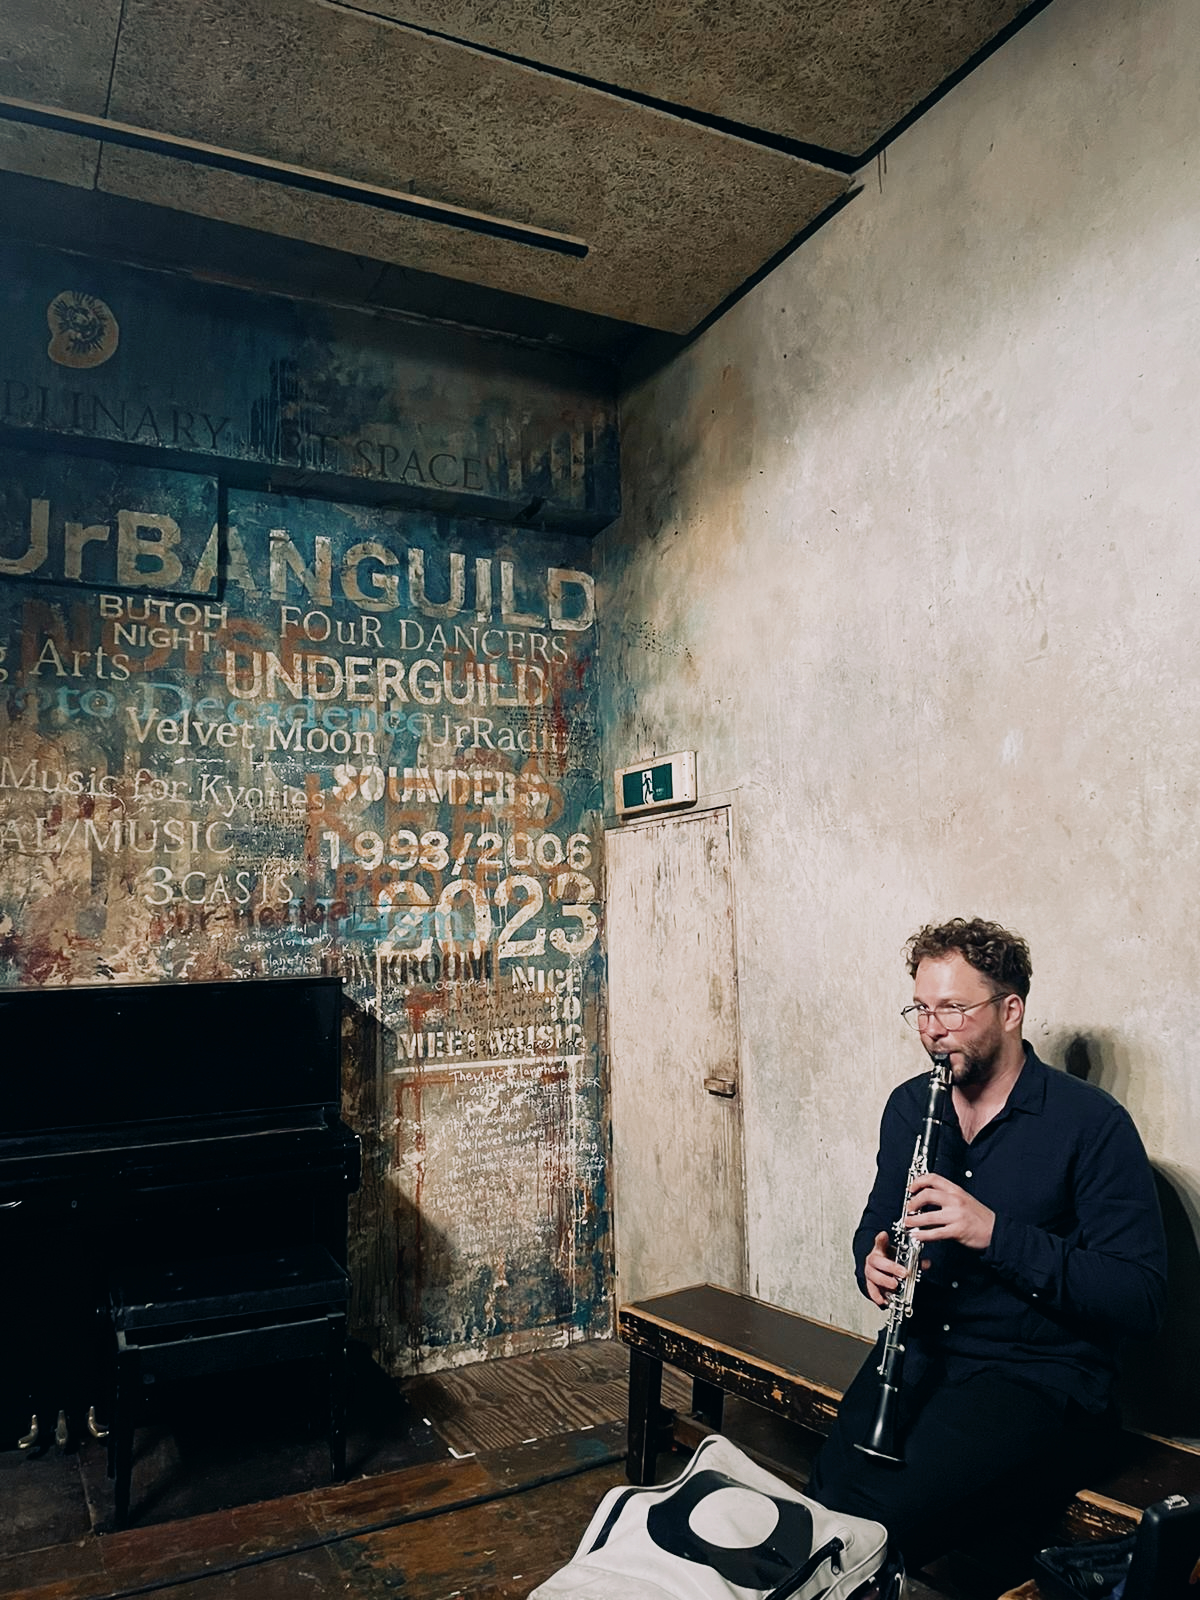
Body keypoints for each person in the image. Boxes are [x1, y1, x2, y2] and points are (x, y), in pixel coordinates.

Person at [807, 917, 1167, 1571]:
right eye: (921, 1009)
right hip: (920, 1352)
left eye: (952, 1008)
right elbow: (877, 1223)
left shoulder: (1091, 1125)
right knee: (821, 1505)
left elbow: (1139, 1296)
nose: (932, 1028)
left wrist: (994, 1234)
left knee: (874, 1532)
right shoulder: (910, 1107)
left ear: (1010, 1010)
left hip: (1034, 1377)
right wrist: (872, 1261)